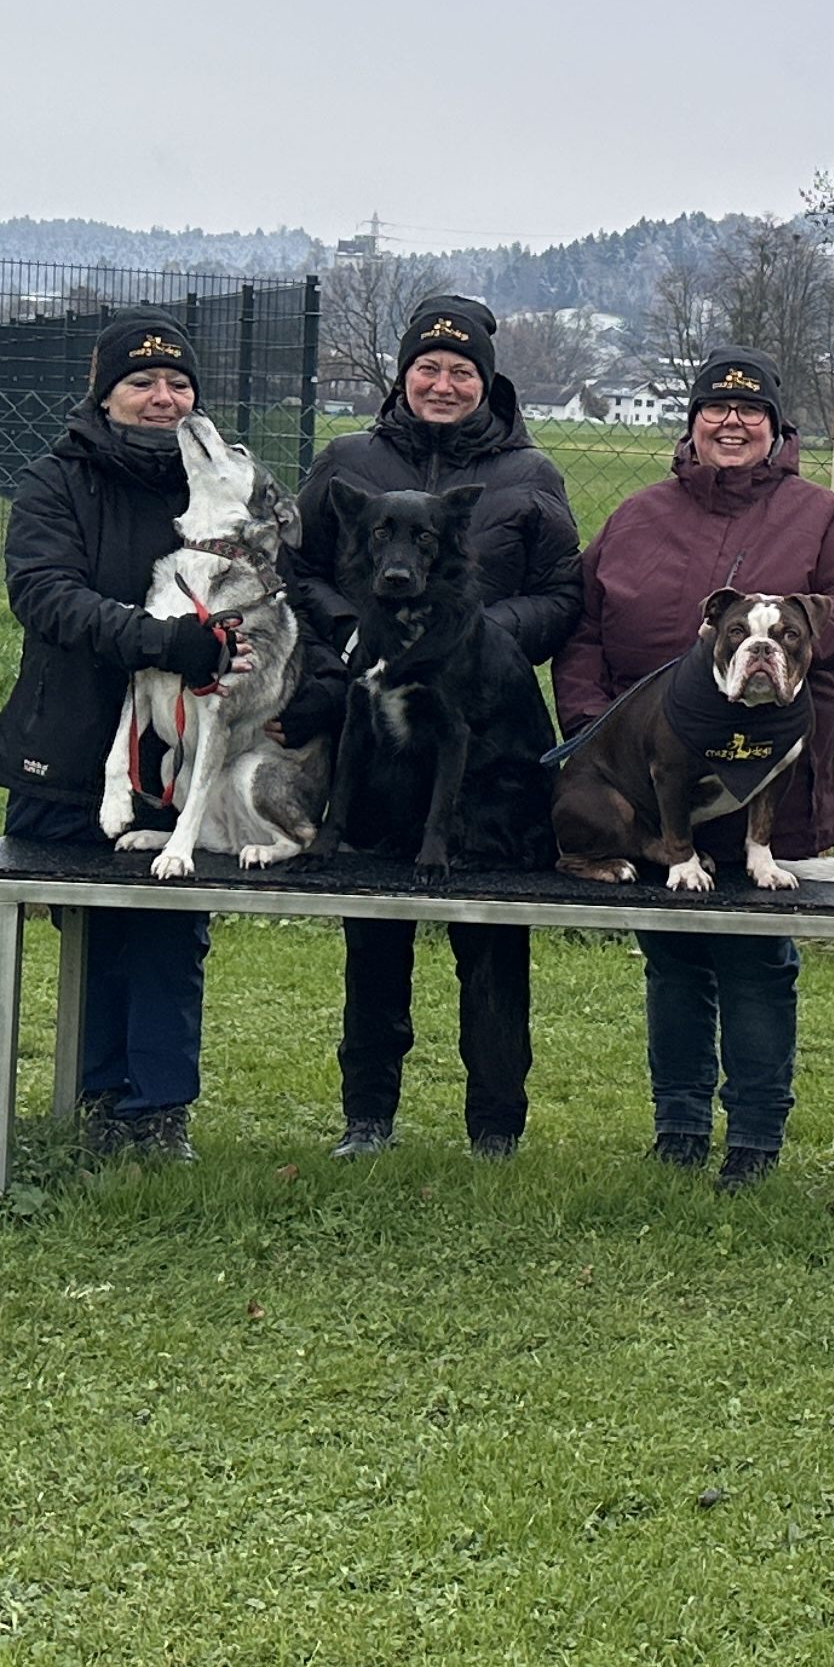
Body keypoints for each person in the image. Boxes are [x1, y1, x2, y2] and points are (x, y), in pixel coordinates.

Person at [552, 347, 834, 1187]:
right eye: (715, 409)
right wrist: (594, 725)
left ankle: (757, 1140)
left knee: (757, 957)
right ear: (693, 422)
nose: (731, 423)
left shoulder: (821, 516)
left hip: (773, 775)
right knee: (672, 953)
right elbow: (583, 628)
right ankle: (681, 1125)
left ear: (775, 428)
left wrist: (780, 634)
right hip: (655, 782)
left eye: (750, 411)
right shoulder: (636, 515)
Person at [290, 294, 581, 1159]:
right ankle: (366, 1116)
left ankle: (495, 1126)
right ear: (404, 374)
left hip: (488, 755)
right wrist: (351, 634)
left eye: (462, 370)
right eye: (429, 367)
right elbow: (302, 570)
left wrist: (481, 637)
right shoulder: (349, 462)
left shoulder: (531, 475)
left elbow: (565, 594)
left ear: (487, 381)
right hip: (380, 756)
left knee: (493, 946)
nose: (444, 383)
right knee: (374, 937)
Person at [0, 314, 233, 1159]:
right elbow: (45, 594)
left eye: (178, 384)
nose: (163, 398)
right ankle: (96, 1099)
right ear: (106, 394)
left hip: (183, 752)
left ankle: (159, 1112)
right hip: (68, 747)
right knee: (89, 925)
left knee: (170, 927)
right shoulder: (56, 481)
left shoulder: (219, 487)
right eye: (141, 383)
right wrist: (161, 640)